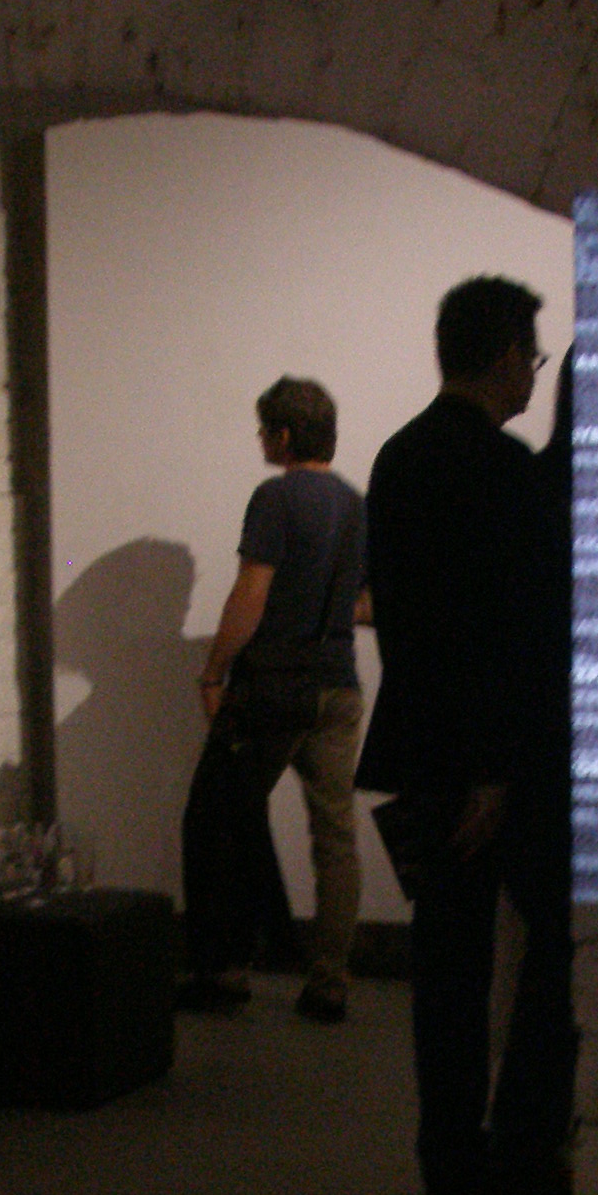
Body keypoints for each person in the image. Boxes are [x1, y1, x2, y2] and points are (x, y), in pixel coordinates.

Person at [357, 275, 575, 1195]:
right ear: (505, 355)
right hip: (491, 759)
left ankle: (450, 1158)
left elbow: (417, 623)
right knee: (550, 942)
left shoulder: (400, 454)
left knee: (446, 964)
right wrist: (492, 766)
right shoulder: (499, 467)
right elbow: (500, 629)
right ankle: (517, 1145)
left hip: (424, 742)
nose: (534, 373)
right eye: (532, 355)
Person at [178, 374, 369, 1024]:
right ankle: (329, 983)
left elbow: (250, 595)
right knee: (335, 836)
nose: (260, 438)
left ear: (284, 436)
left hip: (275, 689)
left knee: (214, 818)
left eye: (264, 428)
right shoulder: (356, 505)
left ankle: (224, 971)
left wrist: (213, 672)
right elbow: (366, 604)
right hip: (338, 686)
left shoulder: (276, 497)